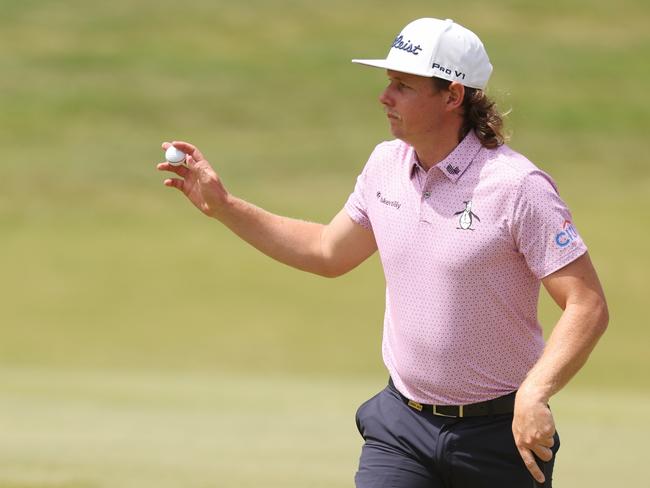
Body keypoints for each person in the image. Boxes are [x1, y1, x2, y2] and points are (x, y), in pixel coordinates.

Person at [157, 17, 608, 488]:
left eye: (402, 85)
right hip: (402, 428)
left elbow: (586, 304)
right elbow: (327, 252)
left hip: (497, 434)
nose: (384, 96)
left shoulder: (517, 188)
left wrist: (536, 392)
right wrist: (225, 207)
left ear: (452, 96)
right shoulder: (385, 166)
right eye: (388, 82)